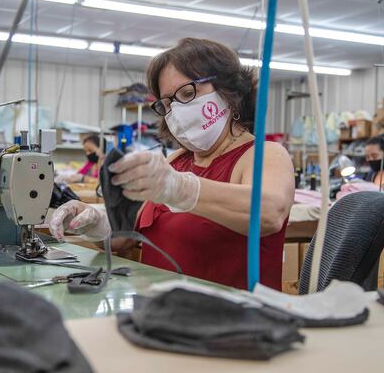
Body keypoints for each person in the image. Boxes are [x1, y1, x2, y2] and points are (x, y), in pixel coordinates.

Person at [46, 38, 295, 291]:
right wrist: (96, 224)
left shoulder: (264, 154)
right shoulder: (178, 161)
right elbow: (126, 238)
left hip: (232, 319)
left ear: (229, 92)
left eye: (187, 94)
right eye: (166, 104)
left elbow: (269, 213)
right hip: (162, 311)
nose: (176, 111)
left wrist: (182, 189)